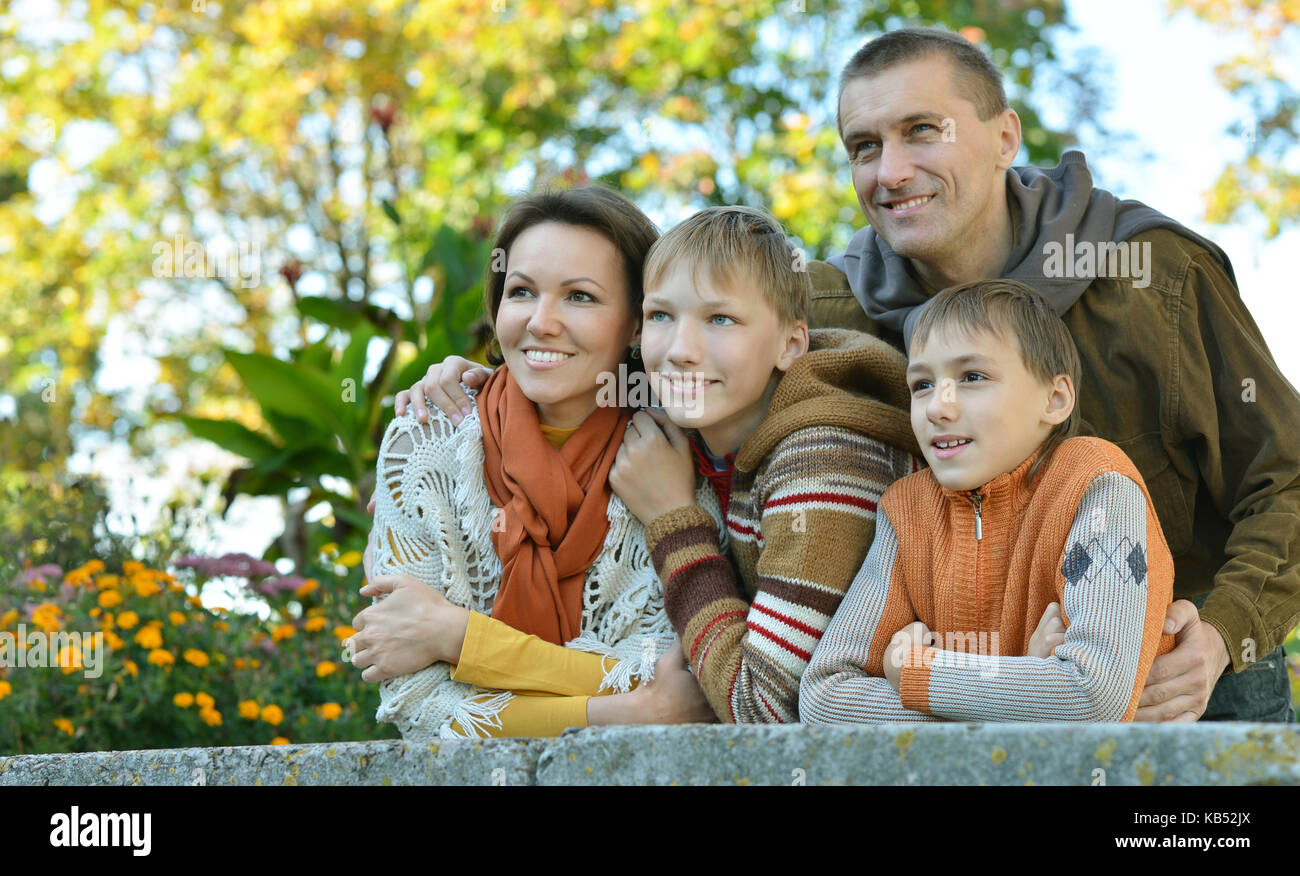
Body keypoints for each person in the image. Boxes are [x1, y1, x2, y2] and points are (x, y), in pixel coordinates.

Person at [399, 26, 1300, 723]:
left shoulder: (1151, 276)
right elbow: (683, 325)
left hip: (1181, 680)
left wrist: (1221, 635)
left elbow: (1286, 477)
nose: (891, 170)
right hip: (952, 689)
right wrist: (503, 370)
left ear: (1002, 135)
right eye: (864, 146)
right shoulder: (834, 298)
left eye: (921, 132)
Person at [351, 186, 718, 740]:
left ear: (638, 324)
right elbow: (417, 703)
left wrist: (459, 638)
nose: (541, 322)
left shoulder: (677, 452)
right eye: (521, 292)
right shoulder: (424, 444)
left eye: (580, 297)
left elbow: (677, 676)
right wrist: (629, 713)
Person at [596, 205, 921, 722]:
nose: (680, 350)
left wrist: (671, 521)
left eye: (720, 319)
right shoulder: (702, 420)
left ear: (791, 343)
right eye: (661, 315)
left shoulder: (825, 460)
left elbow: (765, 709)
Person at [800, 279, 1176, 722]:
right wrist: (1023, 685)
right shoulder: (906, 511)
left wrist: (918, 675)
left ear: (1055, 400)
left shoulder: (1098, 484)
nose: (937, 407)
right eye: (921, 384)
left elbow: (1094, 697)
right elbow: (824, 699)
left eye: (972, 377)